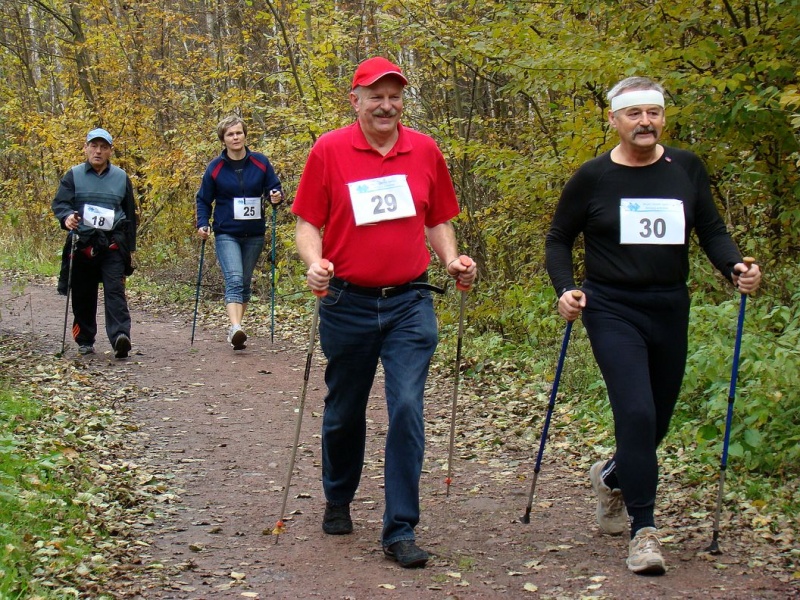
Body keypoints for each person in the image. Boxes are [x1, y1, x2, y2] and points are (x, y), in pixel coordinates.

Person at [545, 76, 762, 575]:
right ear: (614, 120)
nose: (645, 122)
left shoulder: (685, 168)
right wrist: (565, 289)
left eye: (653, 113)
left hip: (669, 306)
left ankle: (613, 475)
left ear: (663, 117)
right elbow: (559, 238)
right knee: (637, 413)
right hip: (611, 307)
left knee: (657, 421)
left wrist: (734, 268)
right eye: (634, 113)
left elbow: (711, 230)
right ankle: (644, 531)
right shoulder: (593, 177)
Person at [291, 56, 477, 568]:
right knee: (344, 410)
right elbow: (308, 222)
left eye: (395, 96)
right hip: (346, 302)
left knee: (406, 408)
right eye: (376, 96)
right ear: (356, 100)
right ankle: (338, 494)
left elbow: (437, 218)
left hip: (410, 302)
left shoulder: (424, 150)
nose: (386, 105)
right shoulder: (329, 150)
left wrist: (451, 259)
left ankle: (400, 529)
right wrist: (315, 262)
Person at [195, 115, 283, 349]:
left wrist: (276, 196)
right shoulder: (215, 168)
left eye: (238, 133)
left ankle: (237, 329)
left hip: (254, 233)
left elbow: (274, 189)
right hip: (227, 232)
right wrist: (202, 224)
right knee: (233, 278)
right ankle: (235, 327)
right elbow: (203, 199)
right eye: (230, 134)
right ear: (223, 140)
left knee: (244, 282)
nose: (235, 137)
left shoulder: (260, 162)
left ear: (245, 135)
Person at [52, 128, 137, 359]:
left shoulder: (121, 177)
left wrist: (131, 248)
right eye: (94, 146)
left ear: (110, 151)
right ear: (86, 148)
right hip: (82, 242)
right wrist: (67, 216)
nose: (98, 151)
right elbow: (60, 203)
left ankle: (121, 337)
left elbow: (130, 213)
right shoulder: (73, 175)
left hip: (112, 244)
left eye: (103, 147)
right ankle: (85, 340)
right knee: (82, 293)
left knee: (115, 291)